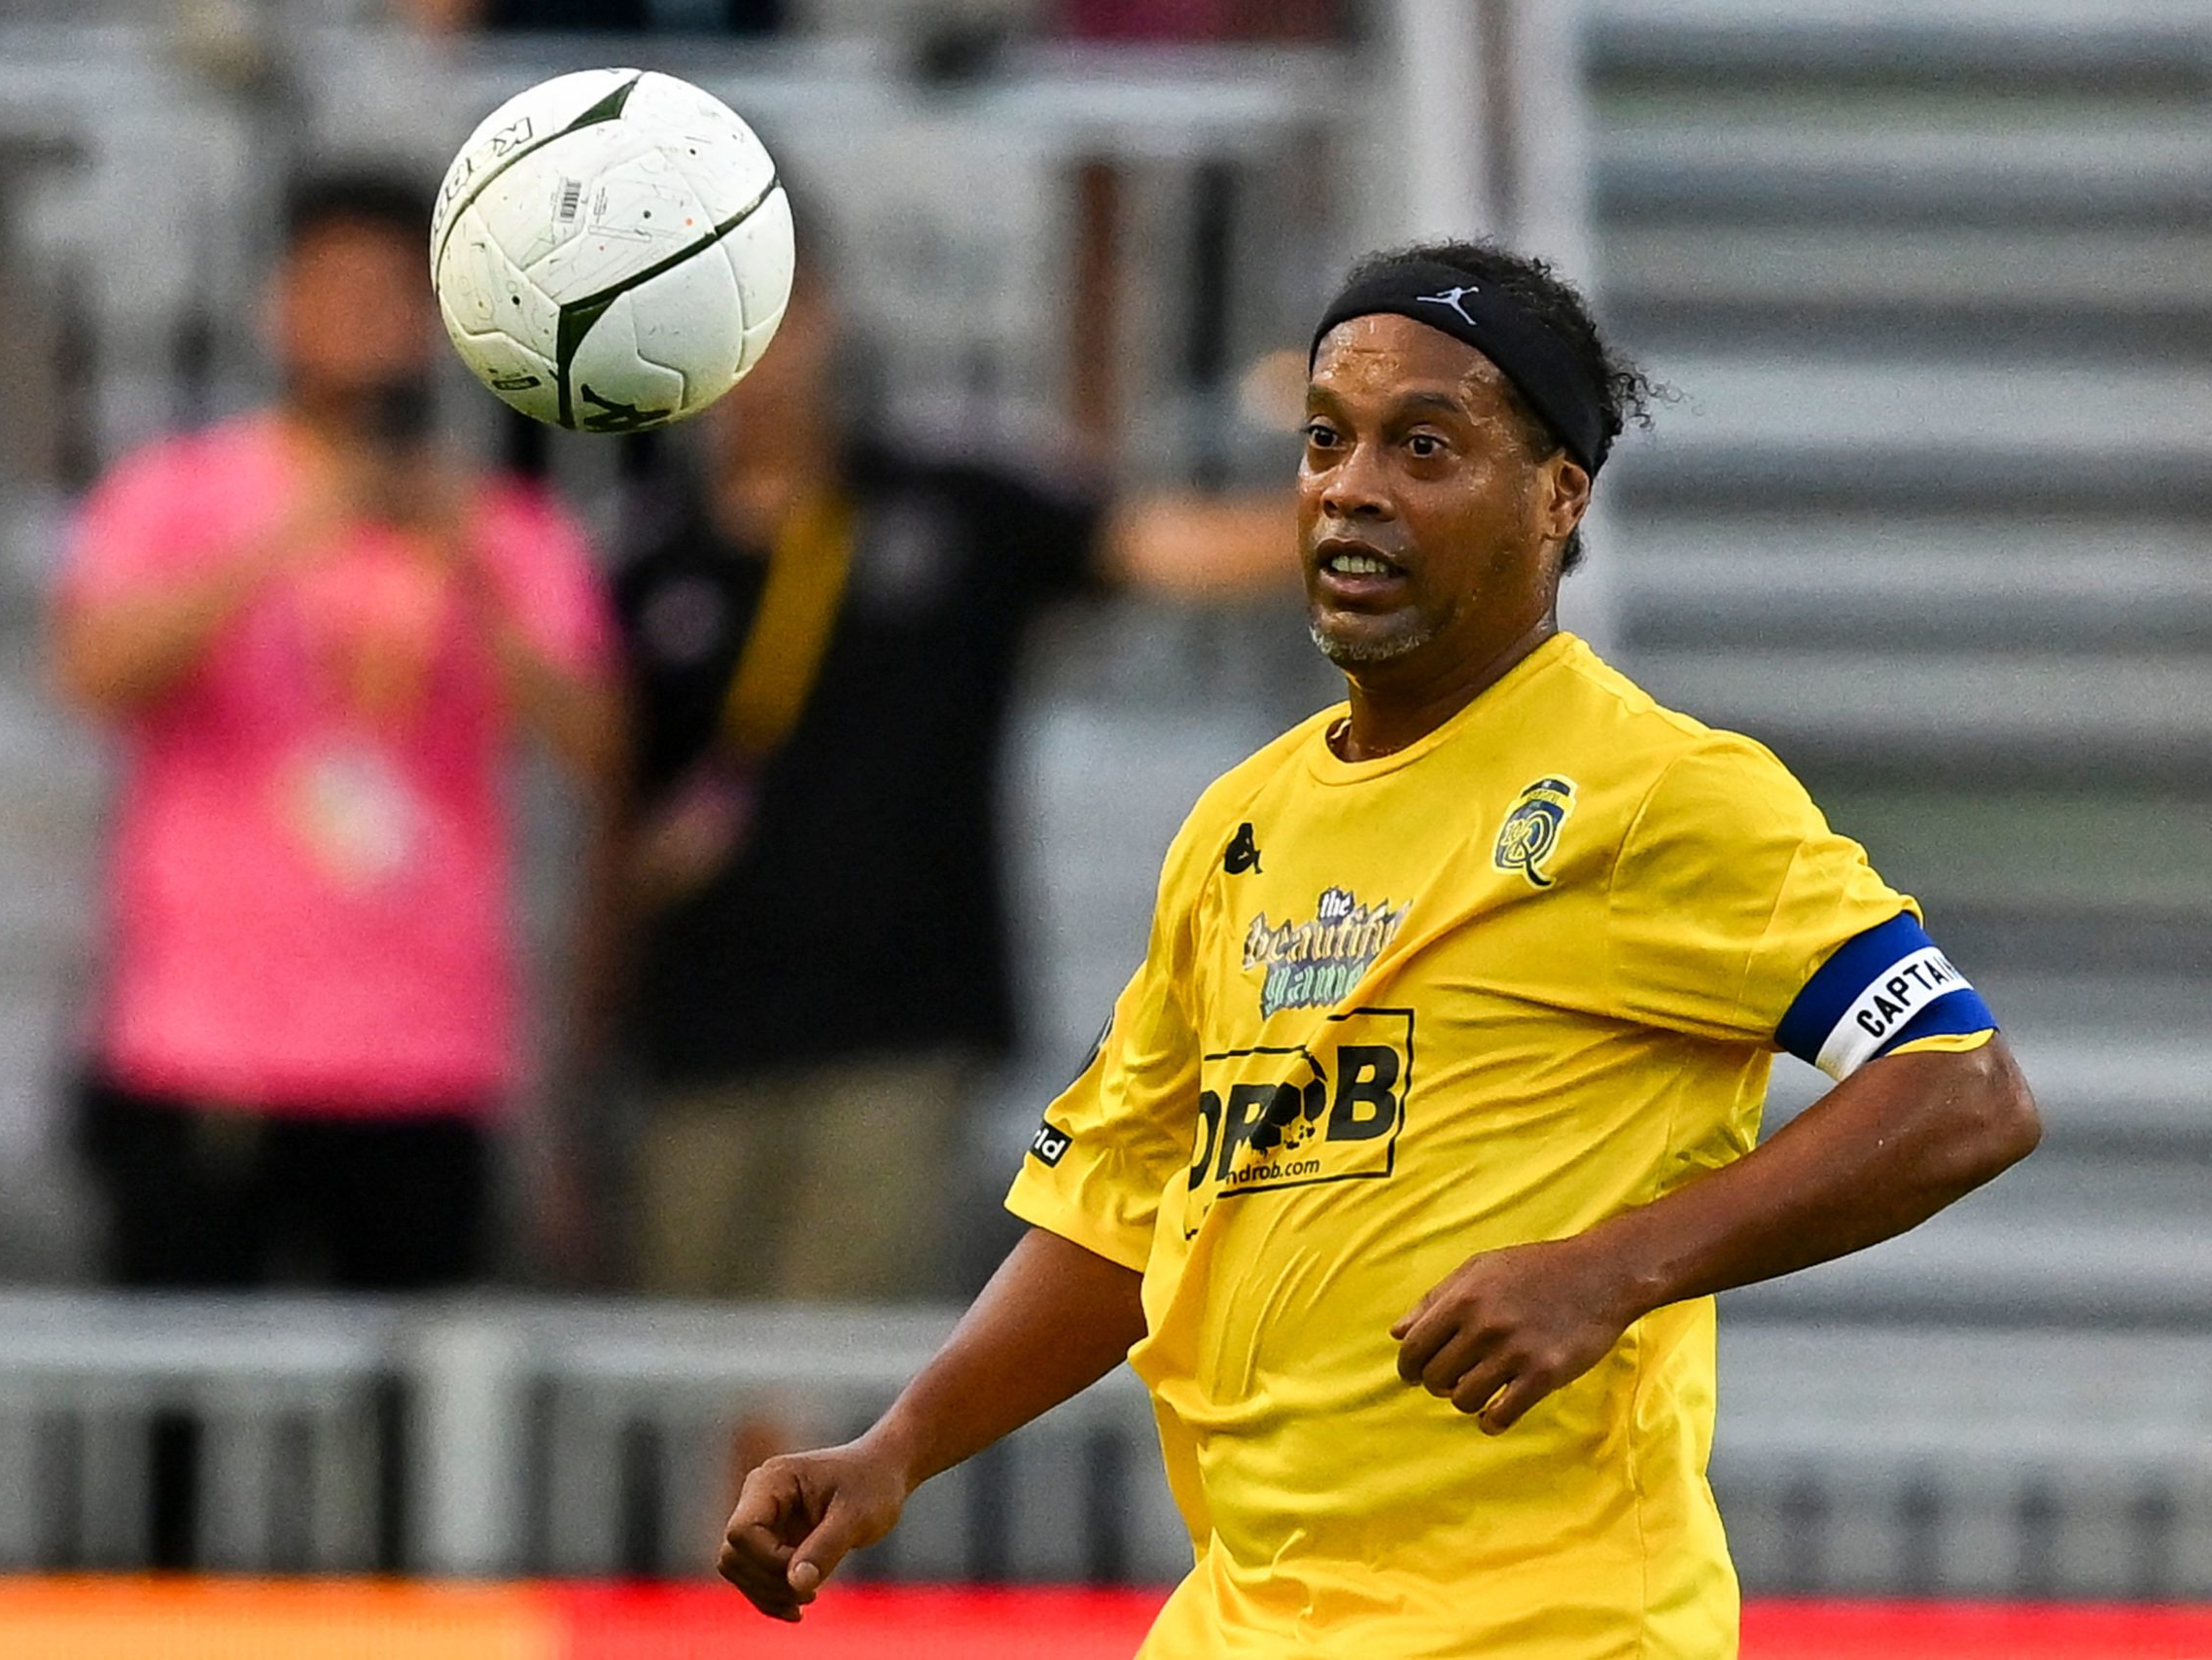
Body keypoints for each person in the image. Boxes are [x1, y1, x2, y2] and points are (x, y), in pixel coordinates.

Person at [716, 241, 2043, 1654]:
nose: (1353, 485)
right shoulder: (1242, 822)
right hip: (1245, 1622)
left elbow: (1965, 1088)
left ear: (1556, 497)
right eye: (1326, 440)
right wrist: (902, 1444)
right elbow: (1122, 1205)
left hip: (1548, 1629)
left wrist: (1617, 1264)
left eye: (1425, 445)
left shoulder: (1657, 791)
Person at [610, 244, 1288, 1302]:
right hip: (697, 1035)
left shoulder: (953, 500)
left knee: (823, 1378)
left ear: (821, 319)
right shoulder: (648, 559)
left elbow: (1163, 548)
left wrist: (1381, 522)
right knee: (685, 1377)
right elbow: (612, 812)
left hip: (898, 1027)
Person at [53, 170, 627, 1293]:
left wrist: (467, 570)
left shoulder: (501, 526)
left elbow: (600, 748)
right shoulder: (180, 493)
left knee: (410, 1436)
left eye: (391, 298)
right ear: (281, 307)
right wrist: (289, 534)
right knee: (177, 1424)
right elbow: (94, 673)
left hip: (424, 1056)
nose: (365, 322)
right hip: (201, 1052)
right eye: (337, 292)